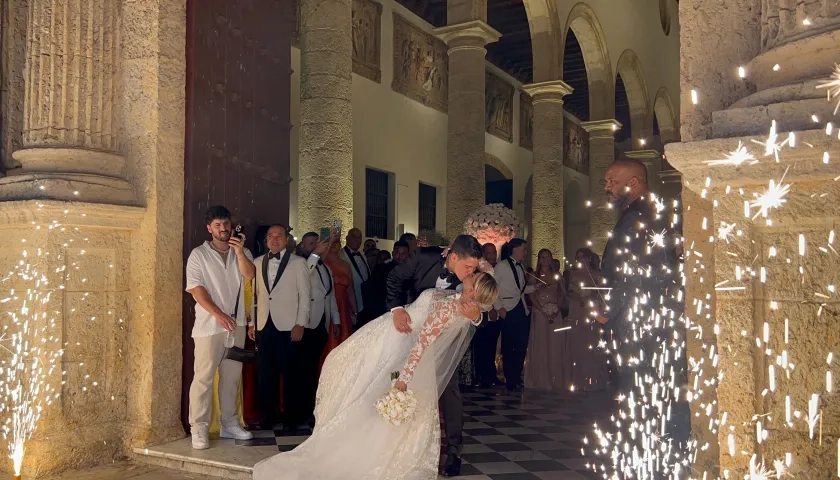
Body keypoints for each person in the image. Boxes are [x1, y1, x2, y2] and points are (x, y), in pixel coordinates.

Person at [252, 273, 499, 480]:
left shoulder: (452, 308)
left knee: (353, 374)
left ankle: (372, 455)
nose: (472, 272)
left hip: (410, 357)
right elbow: (475, 313)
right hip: (412, 354)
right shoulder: (468, 307)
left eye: (475, 276)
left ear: (474, 289)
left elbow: (422, 344)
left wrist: (403, 379)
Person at [594, 159, 689, 476]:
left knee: (639, 390)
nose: (606, 186)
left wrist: (608, 312)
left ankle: (649, 461)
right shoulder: (657, 209)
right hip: (656, 316)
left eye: (611, 180)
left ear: (632, 182)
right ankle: (662, 455)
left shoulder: (638, 215)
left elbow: (631, 272)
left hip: (639, 320)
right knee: (659, 390)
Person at [385, 234, 484, 477]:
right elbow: (394, 278)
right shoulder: (424, 257)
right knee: (403, 381)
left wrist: (476, 316)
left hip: (448, 337)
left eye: (475, 267)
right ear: (452, 256)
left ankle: (454, 451)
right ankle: (401, 444)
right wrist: (397, 309)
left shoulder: (474, 276)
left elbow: (486, 304)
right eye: (468, 266)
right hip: (413, 329)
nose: (472, 271)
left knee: (449, 391)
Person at [185, 206, 256, 449]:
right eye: (217, 225)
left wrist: (239, 252)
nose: (223, 228)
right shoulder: (199, 255)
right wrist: (219, 314)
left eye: (225, 223)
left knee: (231, 377)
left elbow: (250, 276)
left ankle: (229, 423)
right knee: (203, 377)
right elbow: (196, 289)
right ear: (209, 228)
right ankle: (199, 427)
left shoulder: (242, 251)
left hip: (236, 325)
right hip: (208, 326)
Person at [250, 224, 312, 433]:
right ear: (265, 240)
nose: (274, 240)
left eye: (279, 236)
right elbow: (255, 295)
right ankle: (268, 417)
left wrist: (300, 322)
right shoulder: (257, 263)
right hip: (264, 324)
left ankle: (291, 417)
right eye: (270, 236)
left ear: (287, 240)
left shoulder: (298, 263)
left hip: (289, 325)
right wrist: (252, 322)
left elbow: (305, 295)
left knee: (291, 373)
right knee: (266, 374)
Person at [296, 231, 341, 426]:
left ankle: (313, 409)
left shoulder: (326, 268)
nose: (315, 246)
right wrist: (315, 254)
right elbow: (305, 276)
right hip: (305, 323)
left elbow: (329, 296)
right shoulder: (300, 264)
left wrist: (336, 320)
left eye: (317, 243)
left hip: (321, 322)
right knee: (303, 370)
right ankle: (302, 411)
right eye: (311, 244)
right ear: (303, 247)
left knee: (314, 368)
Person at [524, 248, 569, 392]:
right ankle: (540, 378)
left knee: (555, 345)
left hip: (555, 314)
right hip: (539, 313)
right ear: (539, 259)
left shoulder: (557, 276)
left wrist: (557, 309)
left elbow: (562, 294)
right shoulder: (534, 276)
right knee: (541, 344)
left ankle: (555, 378)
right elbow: (532, 296)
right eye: (542, 257)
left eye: (548, 257)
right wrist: (543, 310)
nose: (545, 260)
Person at [493, 238, 535, 392]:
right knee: (509, 347)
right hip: (508, 309)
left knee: (521, 346)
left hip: (521, 309)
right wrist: (499, 308)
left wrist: (536, 287)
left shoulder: (521, 267)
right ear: (515, 249)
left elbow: (520, 290)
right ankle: (510, 380)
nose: (525, 252)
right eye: (523, 249)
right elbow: (493, 288)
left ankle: (516, 378)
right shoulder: (502, 266)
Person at [566, 248, 608, 392]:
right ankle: (577, 380)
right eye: (578, 257)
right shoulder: (572, 274)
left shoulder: (597, 275)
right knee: (577, 345)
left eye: (583, 257)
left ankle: (593, 378)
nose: (580, 260)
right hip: (577, 311)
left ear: (589, 258)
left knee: (592, 344)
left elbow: (602, 293)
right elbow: (569, 292)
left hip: (591, 311)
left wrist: (591, 297)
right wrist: (579, 297)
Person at [322, 239, 358, 361]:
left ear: (340, 245)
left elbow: (351, 290)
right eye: (331, 242)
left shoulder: (346, 265)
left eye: (336, 242)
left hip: (343, 306)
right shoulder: (323, 262)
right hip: (327, 305)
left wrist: (355, 311)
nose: (333, 245)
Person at [474, 243, 503, 388]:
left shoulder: (498, 269)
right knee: (482, 346)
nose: (492, 256)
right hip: (483, 313)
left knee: (492, 347)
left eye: (494, 253)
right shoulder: (480, 271)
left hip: (495, 315)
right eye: (489, 253)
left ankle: (491, 375)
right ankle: (482, 376)